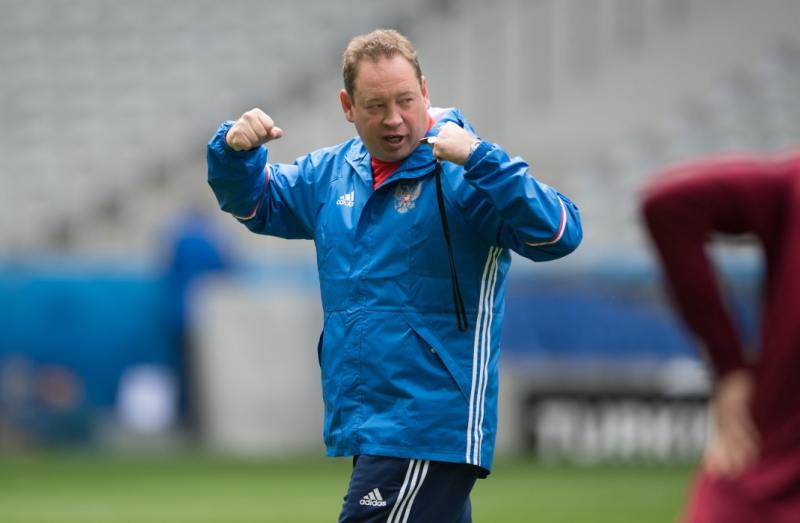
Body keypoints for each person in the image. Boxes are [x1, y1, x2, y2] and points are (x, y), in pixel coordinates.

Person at [207, 28, 582, 522]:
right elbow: (256, 202)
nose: (394, 118)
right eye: (375, 105)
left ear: (425, 92)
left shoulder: (465, 174)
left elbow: (559, 232)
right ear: (348, 106)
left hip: (428, 422)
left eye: (405, 100)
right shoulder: (332, 173)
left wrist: (480, 158)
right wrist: (234, 152)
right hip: (371, 420)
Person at [639, 150, 800, 523]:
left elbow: (669, 203)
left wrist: (730, 367)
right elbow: (670, 205)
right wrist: (729, 364)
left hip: (762, 476)